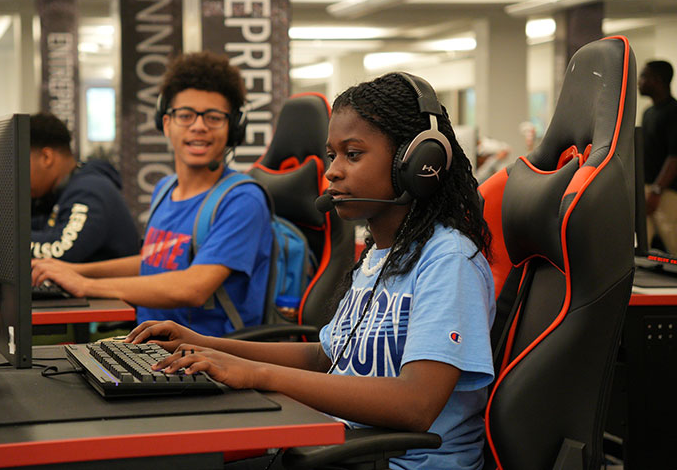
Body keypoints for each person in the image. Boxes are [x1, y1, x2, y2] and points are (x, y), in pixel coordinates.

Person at [126, 72, 496, 469]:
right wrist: (205, 345)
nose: (332, 171)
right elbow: (326, 357)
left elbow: (416, 405)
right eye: (332, 155)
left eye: (352, 155)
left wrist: (257, 374)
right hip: (338, 446)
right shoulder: (380, 256)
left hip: (397, 462)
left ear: (417, 163)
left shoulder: (448, 259)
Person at [31, 52, 273, 337]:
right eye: (185, 115)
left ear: (233, 129)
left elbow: (193, 287)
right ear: (166, 123)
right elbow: (153, 261)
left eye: (213, 117)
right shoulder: (165, 189)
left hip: (207, 358)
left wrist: (86, 285)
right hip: (148, 344)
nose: (199, 126)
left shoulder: (241, 200)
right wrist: (72, 269)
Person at [30, 113, 139, 262]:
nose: (15, 175)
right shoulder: (62, 192)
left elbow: (60, 250)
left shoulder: (90, 190)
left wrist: (3, 239)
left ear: (46, 158)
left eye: (20, 164)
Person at [639, 60, 677, 254]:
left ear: (658, 80)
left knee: (674, 245)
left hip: (666, 193)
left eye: (644, 76)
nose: (639, 81)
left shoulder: (673, 112)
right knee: (642, 248)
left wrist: (656, 190)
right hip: (647, 189)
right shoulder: (648, 113)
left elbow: (674, 157)